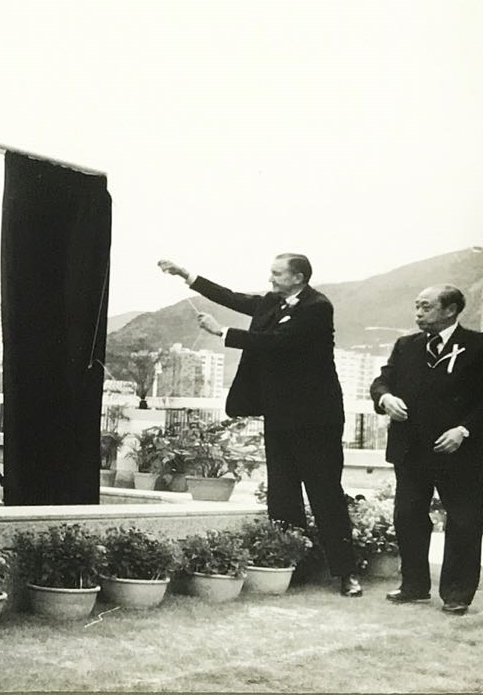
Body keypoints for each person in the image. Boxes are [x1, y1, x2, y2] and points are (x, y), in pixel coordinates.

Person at [158, 254, 361, 597]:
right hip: (280, 414)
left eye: (277, 273)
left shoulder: (316, 307)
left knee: (325, 493)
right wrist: (187, 275)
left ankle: (346, 572)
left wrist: (221, 332)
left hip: (316, 419)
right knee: (282, 494)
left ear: (298, 277)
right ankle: (291, 566)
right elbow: (233, 297)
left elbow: (279, 342)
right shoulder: (272, 302)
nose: (270, 279)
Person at [370, 285, 483, 615]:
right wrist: (385, 398)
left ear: (450, 310)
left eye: (426, 307)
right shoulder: (406, 346)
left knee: (463, 521)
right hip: (411, 449)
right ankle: (414, 585)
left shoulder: (478, 346)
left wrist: (464, 430)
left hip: (460, 450)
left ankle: (457, 594)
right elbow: (381, 381)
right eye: (417, 307)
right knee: (407, 516)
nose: (418, 313)